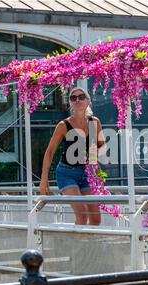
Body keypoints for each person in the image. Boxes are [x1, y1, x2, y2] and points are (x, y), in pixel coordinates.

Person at [39, 87, 106, 225]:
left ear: (88, 101)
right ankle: (77, 246)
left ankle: (90, 246)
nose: (77, 100)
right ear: (70, 103)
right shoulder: (63, 125)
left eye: (81, 97)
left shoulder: (95, 122)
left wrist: (94, 167)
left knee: (95, 217)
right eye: (73, 98)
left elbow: (99, 147)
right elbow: (50, 151)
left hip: (87, 174)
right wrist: (44, 180)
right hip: (67, 173)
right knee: (82, 215)